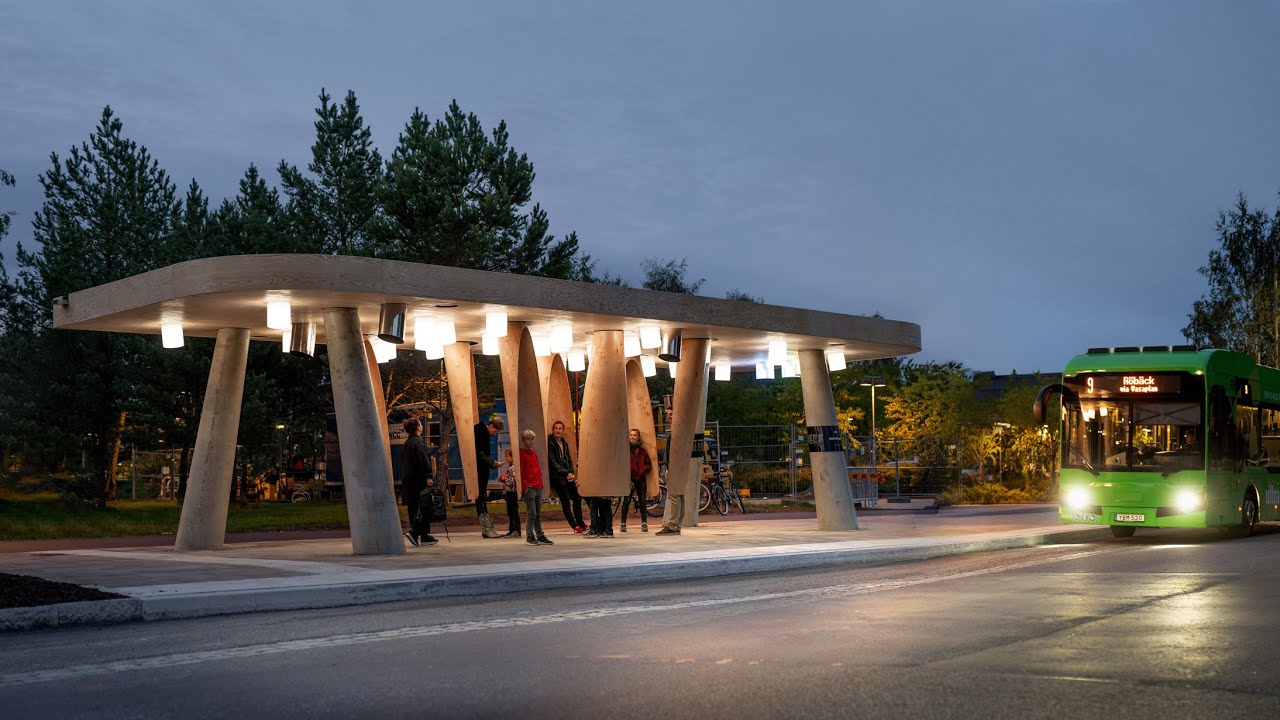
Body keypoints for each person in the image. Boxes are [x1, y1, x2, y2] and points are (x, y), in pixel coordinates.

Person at [400, 417, 437, 546]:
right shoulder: (418, 442)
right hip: (418, 480)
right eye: (420, 424)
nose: (421, 426)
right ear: (417, 427)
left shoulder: (407, 443)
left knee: (413, 508)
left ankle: (422, 535)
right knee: (424, 507)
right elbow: (423, 460)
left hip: (408, 480)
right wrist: (428, 476)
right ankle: (417, 533)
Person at [547, 420, 585, 533]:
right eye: (556, 428)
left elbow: (568, 459)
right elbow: (553, 462)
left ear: (562, 430)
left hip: (566, 475)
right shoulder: (550, 443)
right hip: (556, 476)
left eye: (560, 428)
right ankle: (575, 526)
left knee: (577, 497)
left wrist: (571, 473)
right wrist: (565, 473)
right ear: (553, 430)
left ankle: (581, 524)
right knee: (565, 500)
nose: (558, 430)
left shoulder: (564, 443)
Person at [519, 429, 553, 545]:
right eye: (528, 439)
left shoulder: (533, 453)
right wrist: (525, 487)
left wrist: (541, 483)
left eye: (532, 439)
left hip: (537, 485)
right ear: (523, 440)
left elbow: (537, 469)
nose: (530, 441)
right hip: (530, 487)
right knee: (532, 512)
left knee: (538, 513)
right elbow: (522, 472)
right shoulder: (521, 453)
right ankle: (529, 535)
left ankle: (540, 534)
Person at [473, 414, 504, 539]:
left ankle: (487, 528)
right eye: (495, 431)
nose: (495, 434)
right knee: (481, 498)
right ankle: (486, 528)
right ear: (490, 426)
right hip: (480, 471)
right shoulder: (482, 434)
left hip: (479, 469)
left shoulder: (479, 431)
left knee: (481, 498)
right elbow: (480, 454)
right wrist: (493, 463)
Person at [619, 428, 652, 533]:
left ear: (638, 437)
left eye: (634, 435)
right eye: (630, 435)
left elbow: (649, 464)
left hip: (641, 478)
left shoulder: (643, 451)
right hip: (629, 479)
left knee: (642, 500)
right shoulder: (625, 450)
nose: (632, 437)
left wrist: (644, 469)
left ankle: (644, 523)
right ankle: (623, 523)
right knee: (627, 500)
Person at [498, 449, 521, 538]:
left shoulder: (514, 468)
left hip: (513, 492)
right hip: (509, 492)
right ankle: (512, 529)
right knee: (510, 511)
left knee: (513, 511)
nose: (506, 458)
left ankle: (516, 530)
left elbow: (514, 481)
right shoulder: (510, 467)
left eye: (507, 456)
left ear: (512, 457)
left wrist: (505, 479)